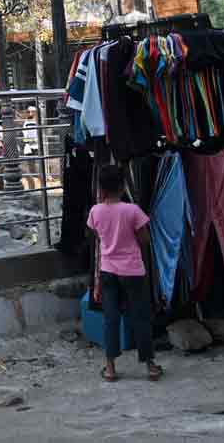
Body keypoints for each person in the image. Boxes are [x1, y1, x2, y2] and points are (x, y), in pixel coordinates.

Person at [87, 164, 162, 383]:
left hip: (108, 270)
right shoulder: (132, 210)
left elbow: (98, 236)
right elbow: (145, 239)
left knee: (110, 318)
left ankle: (110, 368)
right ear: (122, 186)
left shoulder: (95, 211)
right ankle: (150, 366)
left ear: (101, 188)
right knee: (140, 317)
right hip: (132, 270)